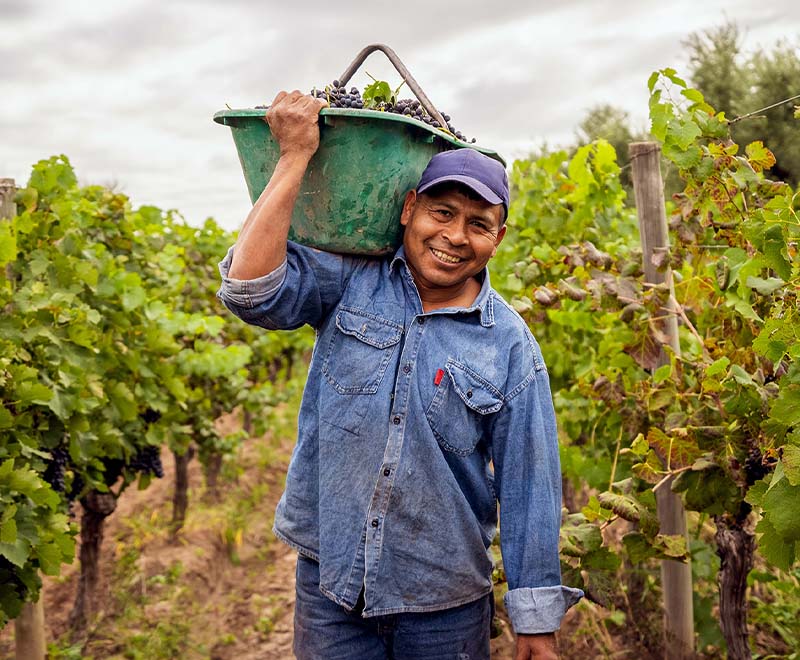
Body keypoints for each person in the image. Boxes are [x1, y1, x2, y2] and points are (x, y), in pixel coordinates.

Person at [217, 90, 582, 660]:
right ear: (409, 208)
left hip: (444, 603)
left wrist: (535, 620)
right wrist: (293, 158)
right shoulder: (350, 283)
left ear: (498, 237)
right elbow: (250, 291)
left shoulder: (509, 343)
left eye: (478, 224)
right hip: (332, 585)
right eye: (443, 213)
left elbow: (530, 482)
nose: (457, 237)